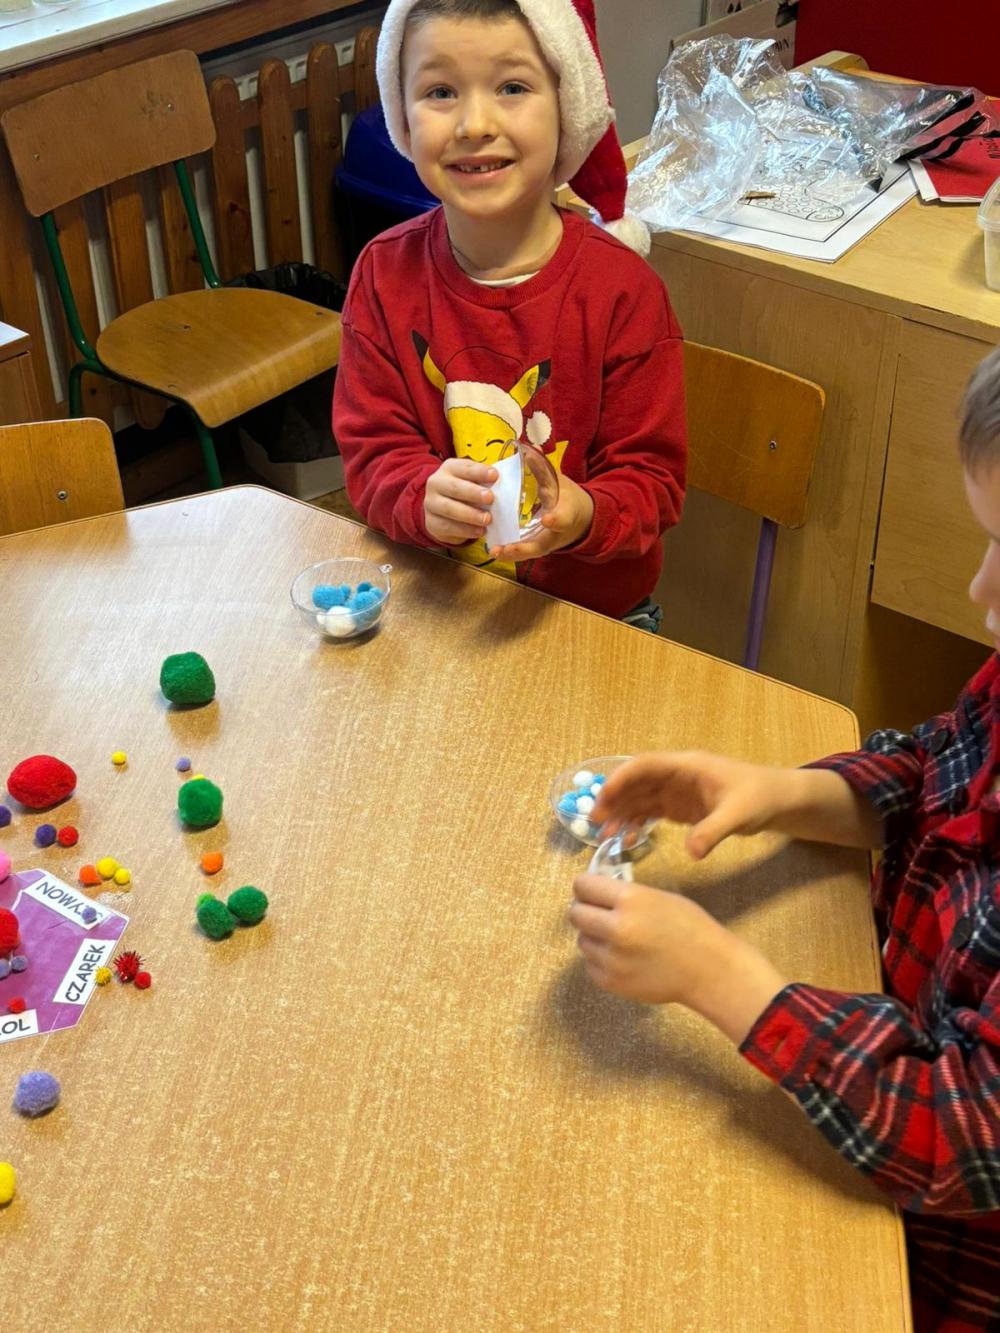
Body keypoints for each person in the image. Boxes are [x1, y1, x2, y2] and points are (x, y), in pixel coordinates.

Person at [570, 347, 1000, 1331]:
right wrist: (778, 793)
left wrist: (719, 976)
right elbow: (933, 769)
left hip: (934, 1265)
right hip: (877, 1060)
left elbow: (956, 1129)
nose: (979, 588)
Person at [332, 0, 686, 629]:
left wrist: (584, 513)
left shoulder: (623, 293)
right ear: (403, 118)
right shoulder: (383, 276)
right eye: (441, 91)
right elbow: (372, 454)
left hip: (595, 617)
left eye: (512, 87)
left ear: (568, 106)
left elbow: (652, 483)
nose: (475, 124)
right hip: (444, 599)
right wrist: (420, 496)